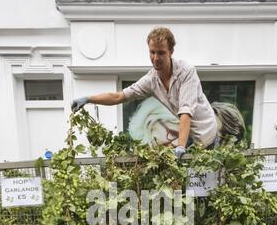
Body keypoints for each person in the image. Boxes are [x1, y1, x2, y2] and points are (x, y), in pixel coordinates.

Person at [71, 27, 218, 157]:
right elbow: (119, 96)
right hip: (189, 138)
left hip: (207, 136)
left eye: (161, 53)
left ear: (171, 52)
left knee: (205, 186)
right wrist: (88, 99)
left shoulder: (186, 73)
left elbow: (185, 112)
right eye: (152, 52)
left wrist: (180, 146)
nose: (155, 58)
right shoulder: (151, 80)